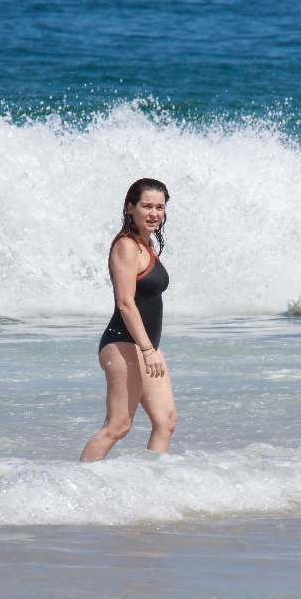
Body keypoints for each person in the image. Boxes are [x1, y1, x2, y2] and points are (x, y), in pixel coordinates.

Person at [80, 178, 177, 462]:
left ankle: (154, 483)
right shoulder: (126, 246)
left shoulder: (146, 246)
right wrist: (148, 350)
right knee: (118, 426)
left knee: (166, 420)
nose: (154, 213)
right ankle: (79, 486)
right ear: (130, 208)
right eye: (147, 206)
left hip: (145, 346)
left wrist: (150, 348)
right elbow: (126, 303)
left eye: (160, 207)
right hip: (124, 344)